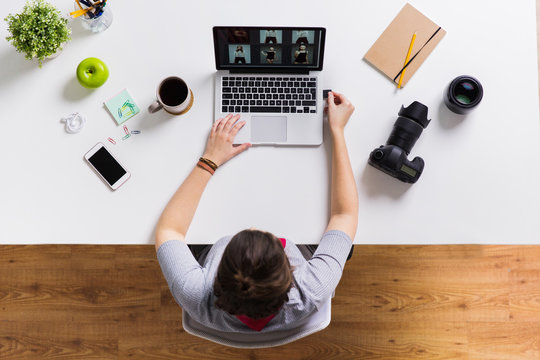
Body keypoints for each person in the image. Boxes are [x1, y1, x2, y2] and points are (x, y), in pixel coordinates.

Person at [156, 92, 358, 335]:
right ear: (290, 275)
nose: (253, 227)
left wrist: (210, 159)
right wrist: (337, 130)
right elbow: (344, 215)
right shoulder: (313, 288)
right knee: (341, 242)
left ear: (218, 273)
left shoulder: (194, 292)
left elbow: (170, 229)